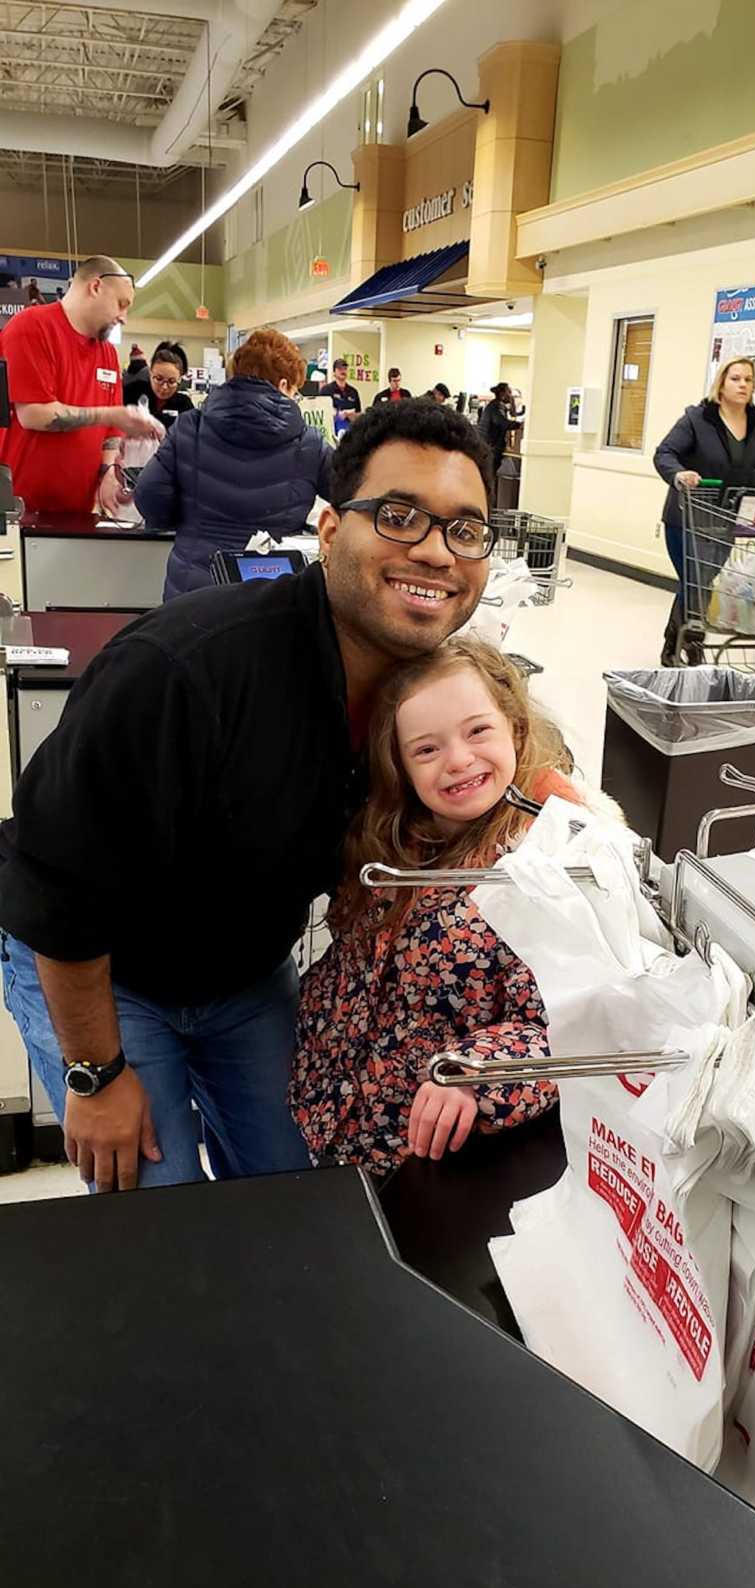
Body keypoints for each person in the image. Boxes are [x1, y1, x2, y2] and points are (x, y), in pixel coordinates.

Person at [0, 399, 495, 1193]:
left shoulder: (421, 690)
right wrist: (93, 1075)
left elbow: (509, 763)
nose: (436, 552)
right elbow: (56, 886)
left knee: (297, 1183)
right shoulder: (184, 671)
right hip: (105, 966)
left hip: (241, 969)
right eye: (399, 516)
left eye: (465, 530)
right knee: (158, 1212)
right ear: (329, 529)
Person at [291, 636, 575, 1176]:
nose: (459, 760)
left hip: (417, 1155)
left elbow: (567, 1024)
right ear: (397, 763)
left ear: (514, 726)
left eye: (478, 731)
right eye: (427, 749)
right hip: (319, 1103)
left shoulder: (548, 865)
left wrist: (477, 1072)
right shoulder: (390, 834)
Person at [135, 328, 332, 600]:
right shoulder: (310, 443)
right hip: (272, 589)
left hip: (194, 590)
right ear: (285, 385)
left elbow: (148, 494)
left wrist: (185, 522)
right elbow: (353, 493)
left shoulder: (189, 427)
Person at [0, 255, 163, 519]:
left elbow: (111, 432)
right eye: (121, 304)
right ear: (95, 287)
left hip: (78, 511)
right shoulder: (31, 327)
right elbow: (33, 414)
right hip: (21, 510)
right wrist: (112, 414)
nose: (124, 318)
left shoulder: (108, 353)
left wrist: (108, 472)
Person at [653, 356, 755, 665]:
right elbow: (665, 453)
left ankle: (678, 640)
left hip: (726, 520)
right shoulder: (697, 419)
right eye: (736, 379)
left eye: (748, 380)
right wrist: (679, 474)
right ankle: (688, 645)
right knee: (695, 579)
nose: (743, 385)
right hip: (687, 516)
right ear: (721, 384)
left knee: (700, 582)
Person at [122, 341, 193, 432]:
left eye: (171, 381)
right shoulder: (131, 393)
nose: (164, 387)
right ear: (150, 372)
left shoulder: (184, 404)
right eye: (159, 379)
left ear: (179, 379)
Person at [478, 382, 522, 477]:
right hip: (490, 448)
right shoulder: (496, 406)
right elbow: (502, 423)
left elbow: (510, 417)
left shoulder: (496, 405)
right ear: (502, 394)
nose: (511, 395)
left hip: (488, 446)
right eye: (509, 392)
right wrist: (520, 425)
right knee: (489, 476)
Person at [320, 357, 361, 436]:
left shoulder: (353, 391)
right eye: (339, 369)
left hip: (350, 432)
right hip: (332, 431)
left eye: (345, 368)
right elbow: (322, 413)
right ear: (334, 372)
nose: (343, 371)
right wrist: (337, 415)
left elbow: (358, 413)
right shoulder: (326, 390)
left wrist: (352, 416)